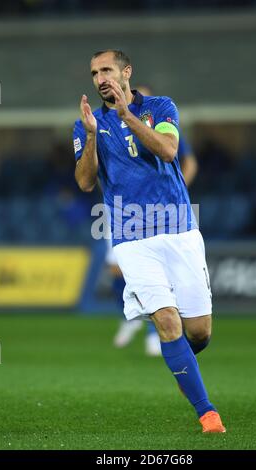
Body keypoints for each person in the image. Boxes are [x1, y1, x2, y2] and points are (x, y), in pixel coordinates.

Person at [73, 49, 226, 433]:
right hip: (131, 237)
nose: (100, 77)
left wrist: (127, 115)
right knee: (167, 320)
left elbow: (169, 149)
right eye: (94, 73)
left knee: (199, 332)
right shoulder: (87, 124)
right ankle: (207, 413)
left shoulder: (160, 107)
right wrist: (91, 137)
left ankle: (182, 365)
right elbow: (85, 182)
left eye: (107, 69)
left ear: (126, 72)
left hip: (179, 230)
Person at [113, 85, 198, 356]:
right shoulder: (111, 124)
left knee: (163, 279)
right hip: (123, 212)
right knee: (118, 271)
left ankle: (154, 330)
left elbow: (186, 159)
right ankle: (134, 318)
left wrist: (177, 185)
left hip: (163, 214)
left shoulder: (160, 121)